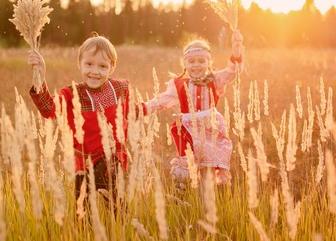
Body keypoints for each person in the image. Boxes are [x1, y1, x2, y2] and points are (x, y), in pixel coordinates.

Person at [28, 33, 130, 206]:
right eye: (89, 64)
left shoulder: (119, 88)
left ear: (111, 68)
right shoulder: (72, 94)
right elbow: (48, 109)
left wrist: (156, 105)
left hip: (111, 159)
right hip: (83, 162)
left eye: (102, 66)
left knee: (117, 207)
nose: (95, 71)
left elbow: (132, 110)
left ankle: (120, 228)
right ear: (80, 64)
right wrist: (40, 76)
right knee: (82, 211)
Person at [143, 30, 244, 186]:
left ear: (208, 62)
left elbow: (232, 72)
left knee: (208, 169)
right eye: (191, 61)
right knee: (187, 167)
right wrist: (142, 108)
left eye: (201, 61)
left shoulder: (214, 79)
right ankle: (185, 191)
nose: (196, 65)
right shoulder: (178, 84)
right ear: (185, 63)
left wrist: (236, 51)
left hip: (211, 127)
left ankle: (207, 196)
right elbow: (162, 100)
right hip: (188, 129)